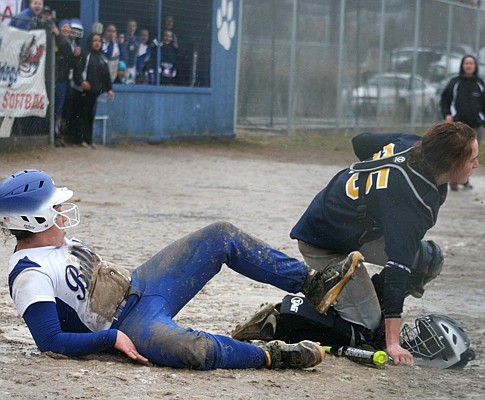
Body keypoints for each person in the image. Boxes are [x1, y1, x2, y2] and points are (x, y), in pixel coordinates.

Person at [0, 170, 364, 370]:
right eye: (56, 210)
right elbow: (50, 342)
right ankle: (273, 355)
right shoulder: (29, 273)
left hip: (141, 284)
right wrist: (109, 340)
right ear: (33, 219)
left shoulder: (52, 241)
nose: (64, 214)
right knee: (194, 350)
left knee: (219, 235)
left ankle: (311, 284)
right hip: (127, 326)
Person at [235, 122, 479, 366]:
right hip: (323, 241)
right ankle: (281, 318)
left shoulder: (411, 144)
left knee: (428, 259)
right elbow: (397, 270)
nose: (476, 165)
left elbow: (360, 143)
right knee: (367, 332)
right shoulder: (409, 202)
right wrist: (392, 342)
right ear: (450, 163)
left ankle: (362, 302)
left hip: (352, 230)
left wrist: (372, 193)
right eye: (472, 160)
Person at [440, 55, 485, 191]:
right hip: (458, 126)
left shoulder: (479, 83)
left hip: (475, 126)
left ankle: (465, 179)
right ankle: (454, 179)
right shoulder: (455, 82)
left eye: (471, 63)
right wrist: (447, 114)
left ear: (475, 66)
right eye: (466, 63)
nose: (469, 66)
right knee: (456, 153)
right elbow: (445, 100)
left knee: (471, 154)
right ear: (462, 65)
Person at [70, 33, 115, 147]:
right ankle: (79, 139)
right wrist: (81, 82)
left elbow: (106, 75)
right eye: (94, 41)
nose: (97, 43)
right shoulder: (85, 55)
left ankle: (89, 139)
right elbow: (77, 71)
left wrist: (109, 89)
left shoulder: (102, 58)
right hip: (82, 91)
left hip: (95, 92)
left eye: (99, 41)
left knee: (91, 116)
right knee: (81, 115)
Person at [122, 19, 140, 84]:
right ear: (126, 27)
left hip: (134, 67)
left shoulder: (138, 40)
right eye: (129, 26)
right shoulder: (122, 38)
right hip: (124, 67)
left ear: (136, 27)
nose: (131, 28)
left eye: (133, 26)